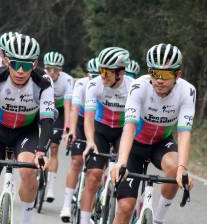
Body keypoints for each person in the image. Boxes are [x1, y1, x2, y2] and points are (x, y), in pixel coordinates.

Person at [0, 34, 55, 224]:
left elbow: (48, 121)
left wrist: (41, 151)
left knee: (27, 170)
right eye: (16, 64)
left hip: (25, 133)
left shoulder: (43, 82)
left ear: (34, 64)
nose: (20, 71)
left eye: (26, 66)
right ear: (6, 60)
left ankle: (26, 219)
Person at [111, 43, 196, 224]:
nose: (158, 80)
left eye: (165, 74)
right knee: (125, 208)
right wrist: (121, 162)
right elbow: (130, 127)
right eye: (154, 73)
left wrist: (183, 168)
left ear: (178, 75)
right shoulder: (139, 86)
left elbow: (183, 133)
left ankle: (158, 219)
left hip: (160, 143)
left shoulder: (187, 92)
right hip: (135, 144)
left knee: (174, 167)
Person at [80, 47, 133, 224]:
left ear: (121, 72)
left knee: (122, 173)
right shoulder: (94, 84)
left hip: (122, 132)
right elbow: (88, 118)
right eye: (101, 70)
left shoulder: (133, 87)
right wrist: (89, 141)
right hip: (100, 130)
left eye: (107, 72)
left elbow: (136, 122)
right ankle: (84, 220)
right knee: (93, 175)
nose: (102, 75)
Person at [60, 57, 100, 222]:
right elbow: (75, 109)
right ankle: (67, 204)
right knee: (76, 161)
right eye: (92, 75)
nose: (96, 79)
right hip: (82, 121)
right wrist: (70, 131)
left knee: (97, 169)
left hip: (98, 124)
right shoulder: (82, 84)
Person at [43, 51, 74, 202]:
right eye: (49, 69)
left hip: (60, 111)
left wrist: (67, 128)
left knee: (54, 149)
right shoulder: (41, 77)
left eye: (56, 69)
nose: (52, 72)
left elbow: (68, 106)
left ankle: (50, 187)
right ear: (45, 68)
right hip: (43, 107)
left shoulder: (67, 81)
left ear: (60, 70)